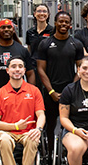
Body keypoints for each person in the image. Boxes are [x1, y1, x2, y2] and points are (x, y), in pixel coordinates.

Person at [35, 11, 85, 152]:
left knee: (69, 126)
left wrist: (70, 89)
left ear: (70, 25)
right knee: (49, 126)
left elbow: (80, 68)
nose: (63, 24)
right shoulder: (45, 44)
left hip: (70, 93)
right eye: (60, 21)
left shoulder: (76, 44)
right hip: (50, 93)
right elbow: (40, 70)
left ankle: (69, 154)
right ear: (55, 23)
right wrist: (51, 91)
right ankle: (50, 155)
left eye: (66, 22)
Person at [0, 19, 35, 112]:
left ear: (13, 30)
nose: (6, 29)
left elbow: (30, 74)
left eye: (9, 27)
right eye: (3, 27)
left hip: (20, 98)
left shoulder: (22, 50)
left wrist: (31, 94)